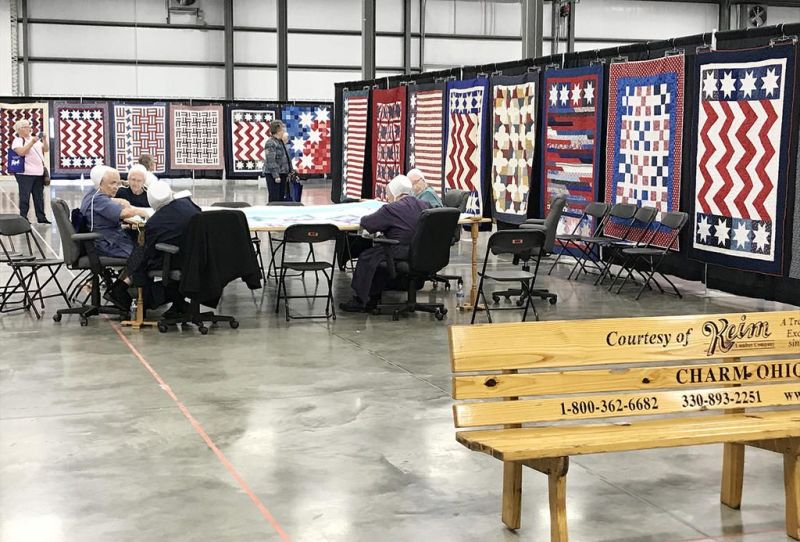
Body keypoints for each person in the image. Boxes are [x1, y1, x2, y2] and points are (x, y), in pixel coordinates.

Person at [339, 175, 431, 313]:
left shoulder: (391, 209)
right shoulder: (423, 205)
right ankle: (374, 296)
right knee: (378, 256)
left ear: (395, 194)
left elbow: (368, 223)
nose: (387, 198)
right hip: (421, 251)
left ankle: (361, 300)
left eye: (388, 195)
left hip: (399, 249)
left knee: (367, 257)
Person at [119, 180, 201, 315]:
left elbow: (150, 252)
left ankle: (133, 296)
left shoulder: (155, 222)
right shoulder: (189, 205)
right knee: (140, 256)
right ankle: (124, 287)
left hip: (177, 258)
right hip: (197, 256)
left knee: (140, 257)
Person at [80, 166, 148, 258]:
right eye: (112, 183)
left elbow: (108, 203)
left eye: (117, 184)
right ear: (100, 183)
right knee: (144, 256)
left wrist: (117, 200)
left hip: (107, 238)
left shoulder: (92, 192)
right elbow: (124, 213)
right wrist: (142, 212)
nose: (116, 187)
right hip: (106, 243)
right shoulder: (98, 199)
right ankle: (129, 272)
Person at [11, 119, 50, 223]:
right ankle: (23, 218)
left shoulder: (34, 139)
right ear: (19, 130)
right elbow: (22, 152)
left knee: (39, 197)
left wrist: (44, 139)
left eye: (29, 126)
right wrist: (32, 142)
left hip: (38, 173)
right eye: (25, 126)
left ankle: (41, 218)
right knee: (25, 197)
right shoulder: (18, 140)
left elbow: (45, 149)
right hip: (25, 174)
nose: (29, 128)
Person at [262, 120, 293, 202]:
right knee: (275, 198)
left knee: (281, 198)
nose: (284, 131)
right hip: (274, 175)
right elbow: (270, 160)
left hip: (282, 173)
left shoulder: (280, 142)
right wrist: (276, 175)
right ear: (277, 130)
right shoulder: (270, 143)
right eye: (282, 129)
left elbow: (286, 156)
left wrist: (290, 170)